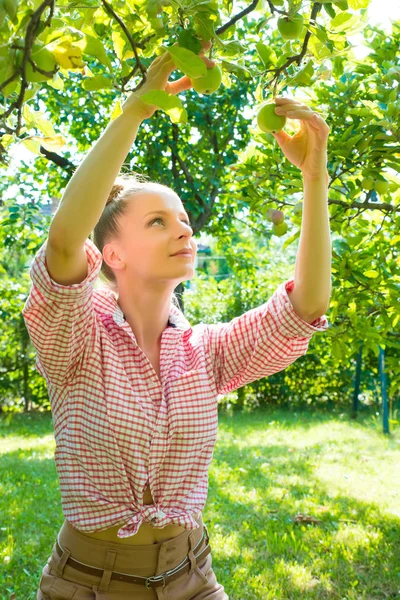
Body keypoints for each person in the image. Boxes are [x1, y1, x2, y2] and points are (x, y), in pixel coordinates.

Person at [22, 40, 329, 600]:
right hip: (90, 585)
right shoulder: (75, 339)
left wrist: (314, 177)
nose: (184, 230)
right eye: (158, 222)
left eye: (183, 219)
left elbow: (304, 309)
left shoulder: (203, 352)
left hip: (193, 579)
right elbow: (65, 239)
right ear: (111, 254)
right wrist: (137, 109)